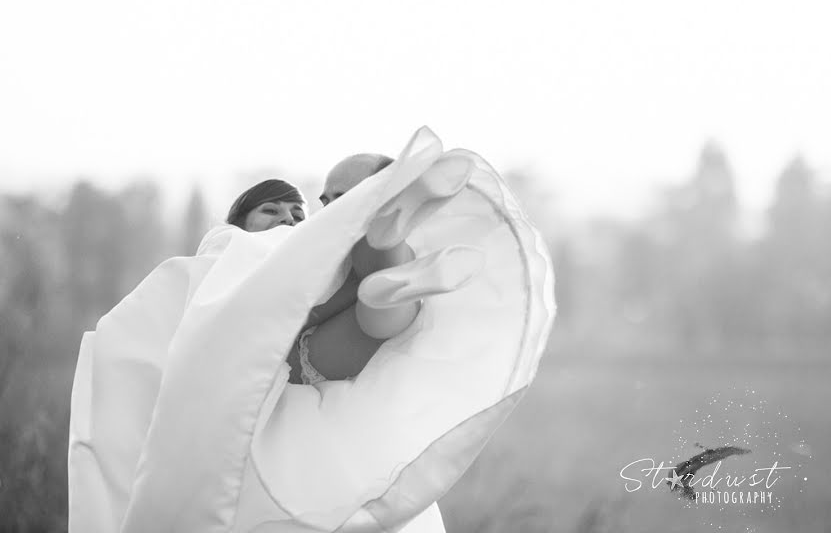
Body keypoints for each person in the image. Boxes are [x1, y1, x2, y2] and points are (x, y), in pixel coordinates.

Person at [68, 126, 556, 533]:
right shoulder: (232, 247)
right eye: (272, 211)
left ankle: (391, 277)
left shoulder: (310, 251)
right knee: (374, 305)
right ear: (238, 220)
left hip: (323, 357)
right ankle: (392, 269)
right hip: (314, 351)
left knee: (373, 311)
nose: (291, 218)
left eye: (299, 211)